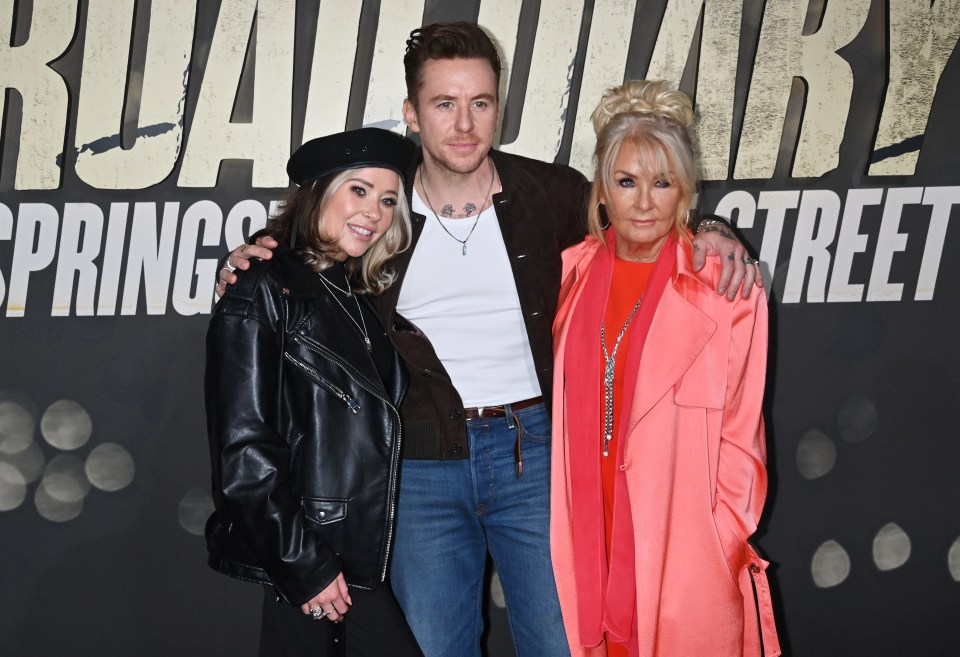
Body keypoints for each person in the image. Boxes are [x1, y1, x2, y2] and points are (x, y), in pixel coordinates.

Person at [215, 22, 761, 657]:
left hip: (539, 461)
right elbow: (312, 248)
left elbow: (645, 210)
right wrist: (253, 255)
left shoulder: (551, 194)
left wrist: (713, 224)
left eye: (480, 103)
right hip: (418, 470)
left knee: (564, 646)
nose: (465, 124)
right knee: (437, 649)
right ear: (412, 115)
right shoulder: (379, 214)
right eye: (444, 104)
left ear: (499, 108)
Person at [549, 80, 780, 657]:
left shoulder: (726, 289)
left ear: (685, 193)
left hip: (680, 542)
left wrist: (721, 532)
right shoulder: (569, 275)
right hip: (585, 527)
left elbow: (743, 430)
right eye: (626, 182)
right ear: (603, 190)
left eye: (662, 183)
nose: (644, 202)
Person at [204, 127, 424, 657]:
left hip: (357, 554)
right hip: (314, 555)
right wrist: (304, 564)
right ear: (317, 192)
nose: (375, 211)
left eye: (389, 199)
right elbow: (244, 447)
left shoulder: (356, 296)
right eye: (359, 190)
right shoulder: (262, 285)